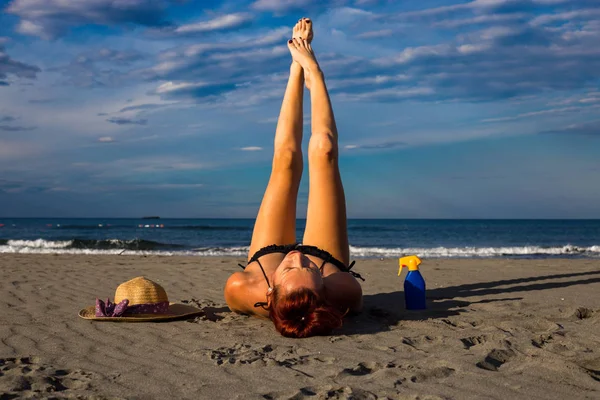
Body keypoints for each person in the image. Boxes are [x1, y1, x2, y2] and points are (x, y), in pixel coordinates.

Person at [224, 18, 363, 338]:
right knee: (325, 150)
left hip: (265, 262)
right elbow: (314, 280)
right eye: (308, 269)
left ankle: (294, 71)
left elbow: (284, 275)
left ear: (270, 292)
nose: (298, 255)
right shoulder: (342, 290)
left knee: (286, 159)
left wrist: (287, 270)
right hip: (327, 262)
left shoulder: (241, 287)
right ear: (323, 290)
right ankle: (313, 70)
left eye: (289, 268)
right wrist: (315, 69)